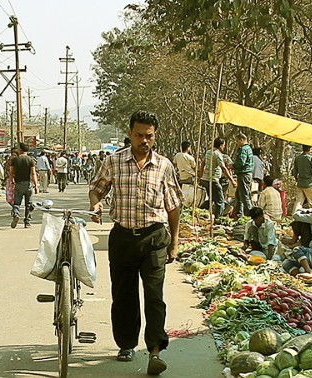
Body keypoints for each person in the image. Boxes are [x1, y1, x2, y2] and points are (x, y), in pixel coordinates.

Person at [89, 111, 182, 375]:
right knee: (123, 294)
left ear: (155, 136)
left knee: (154, 296)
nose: (144, 140)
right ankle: (126, 344)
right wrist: (95, 203)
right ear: (129, 134)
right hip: (122, 238)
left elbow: (173, 206)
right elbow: (97, 187)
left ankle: (155, 350)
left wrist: (174, 242)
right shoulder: (114, 161)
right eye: (139, 135)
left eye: (149, 136)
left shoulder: (164, 166)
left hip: (154, 238)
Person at [200, 138, 236, 217]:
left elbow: (202, 164)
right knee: (220, 201)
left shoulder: (208, 152)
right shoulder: (217, 154)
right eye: (223, 145)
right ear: (220, 146)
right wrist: (232, 181)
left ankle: (200, 212)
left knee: (211, 199)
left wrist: (201, 176)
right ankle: (218, 218)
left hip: (206, 179)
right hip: (213, 180)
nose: (224, 147)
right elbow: (223, 168)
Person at [7, 143, 38, 228]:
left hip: (18, 184)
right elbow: (33, 173)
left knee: (17, 203)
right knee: (28, 204)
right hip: (28, 184)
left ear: (20, 149)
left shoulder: (15, 160)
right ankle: (27, 222)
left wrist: (12, 181)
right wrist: (36, 185)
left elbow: (11, 172)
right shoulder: (30, 160)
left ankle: (16, 214)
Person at [231, 134, 255, 218]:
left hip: (244, 174)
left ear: (241, 140)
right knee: (238, 195)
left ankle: (251, 215)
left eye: (237, 141)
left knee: (244, 195)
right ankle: (238, 215)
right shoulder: (248, 149)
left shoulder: (244, 149)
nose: (236, 143)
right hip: (245, 175)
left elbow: (241, 162)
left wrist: (233, 166)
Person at [290, 144, 312, 213]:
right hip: (309, 183)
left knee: (299, 201)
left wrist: (297, 179)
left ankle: (295, 215)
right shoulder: (311, 158)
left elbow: (295, 171)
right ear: (310, 149)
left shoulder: (297, 158)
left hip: (300, 183)